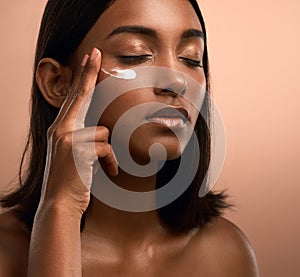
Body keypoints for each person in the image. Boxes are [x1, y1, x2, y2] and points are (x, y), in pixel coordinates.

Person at [0, 0, 259, 276]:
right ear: (57, 82)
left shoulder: (224, 254)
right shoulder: (7, 253)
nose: (176, 81)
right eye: (135, 54)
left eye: (191, 58)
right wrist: (61, 208)